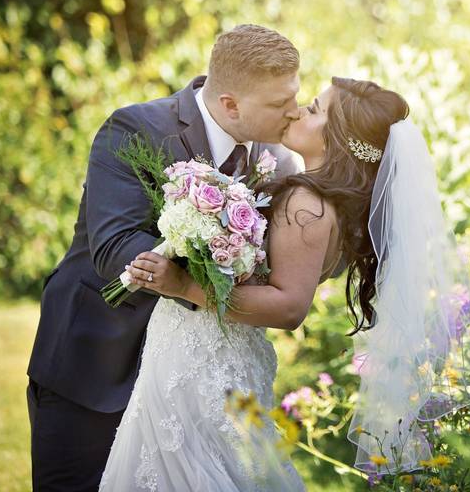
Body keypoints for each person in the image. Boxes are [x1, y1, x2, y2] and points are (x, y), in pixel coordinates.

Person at [106, 77, 470, 489]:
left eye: (313, 109)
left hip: (206, 360)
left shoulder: (306, 204)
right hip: (208, 352)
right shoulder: (324, 200)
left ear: (339, 139)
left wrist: (184, 286)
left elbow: (290, 307)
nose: (297, 110)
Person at [26, 24, 302, 491]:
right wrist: (203, 275)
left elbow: (285, 258)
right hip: (96, 363)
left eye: (295, 96)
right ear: (230, 104)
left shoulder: (279, 159)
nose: (294, 113)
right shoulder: (134, 128)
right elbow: (114, 245)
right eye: (280, 104)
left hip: (193, 383)